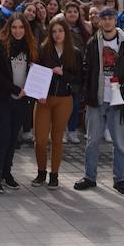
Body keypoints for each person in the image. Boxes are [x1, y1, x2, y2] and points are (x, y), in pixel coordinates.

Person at [74, 7, 124, 196]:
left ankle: (119, 179)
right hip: (97, 99)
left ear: (116, 20)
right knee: (92, 141)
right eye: (104, 18)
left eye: (111, 18)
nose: (108, 21)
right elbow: (86, 69)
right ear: (100, 21)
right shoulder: (93, 42)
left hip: (118, 101)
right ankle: (89, 176)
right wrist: (86, 95)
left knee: (119, 143)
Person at [0, 13, 37, 193]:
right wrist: (15, 89)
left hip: (22, 100)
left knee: (14, 138)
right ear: (8, 28)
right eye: (14, 27)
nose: (17, 31)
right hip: (3, 98)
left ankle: (7, 173)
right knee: (5, 136)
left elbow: (35, 72)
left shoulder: (30, 47)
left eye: (21, 27)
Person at [32, 17, 81, 189]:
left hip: (64, 100)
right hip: (44, 99)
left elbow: (79, 78)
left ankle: (54, 175)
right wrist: (38, 93)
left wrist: (63, 74)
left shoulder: (74, 52)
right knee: (40, 140)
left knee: (57, 139)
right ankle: (40, 173)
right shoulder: (44, 49)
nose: (57, 34)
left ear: (65, 32)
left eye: (60, 31)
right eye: (54, 31)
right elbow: (36, 73)